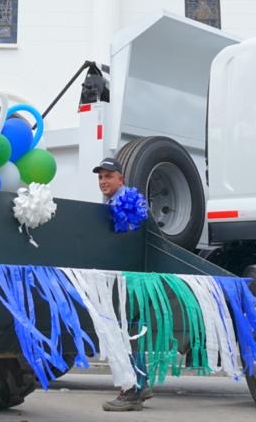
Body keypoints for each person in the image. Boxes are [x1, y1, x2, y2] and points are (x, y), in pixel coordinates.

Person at [93, 157, 153, 412]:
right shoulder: (117, 202)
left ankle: (130, 391)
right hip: (130, 277)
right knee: (130, 331)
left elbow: (124, 242)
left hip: (127, 278)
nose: (104, 181)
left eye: (109, 176)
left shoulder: (123, 203)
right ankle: (141, 384)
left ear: (121, 179)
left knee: (122, 331)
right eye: (100, 177)